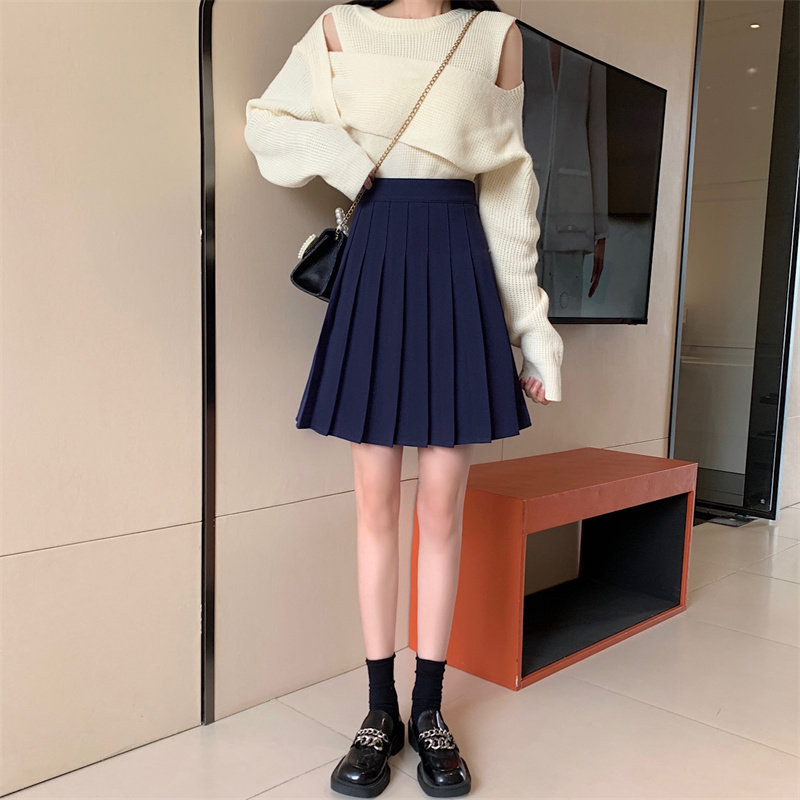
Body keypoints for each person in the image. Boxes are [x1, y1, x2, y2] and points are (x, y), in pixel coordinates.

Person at [243, 1, 564, 796]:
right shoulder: (338, 28)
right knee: (375, 506)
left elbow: (508, 187)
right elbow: (265, 123)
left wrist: (532, 329)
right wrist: (344, 158)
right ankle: (378, 710)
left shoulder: (495, 36)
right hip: (378, 263)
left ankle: (429, 710)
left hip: (459, 270)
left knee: (443, 508)